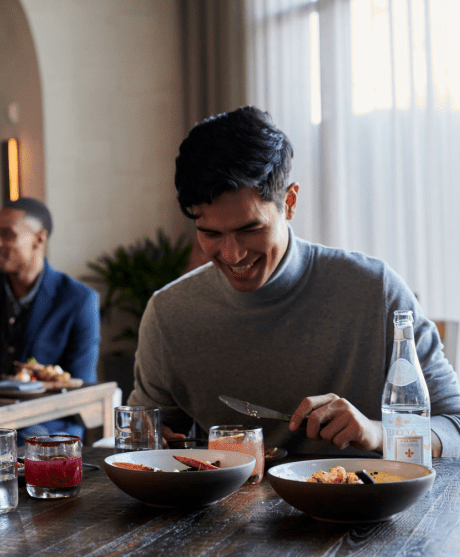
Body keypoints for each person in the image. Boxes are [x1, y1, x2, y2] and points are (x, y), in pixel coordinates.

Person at [128, 106, 460, 457]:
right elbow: (149, 435)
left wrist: (378, 433)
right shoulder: (168, 315)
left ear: (289, 202)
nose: (233, 254)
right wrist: (150, 440)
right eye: (210, 233)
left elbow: (454, 424)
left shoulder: (375, 291)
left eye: (250, 229)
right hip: (227, 510)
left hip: (361, 505)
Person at [0, 197, 100, 440]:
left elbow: (80, 386)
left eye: (7, 234)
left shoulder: (78, 300)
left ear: (40, 239)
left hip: (49, 426)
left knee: (22, 438)